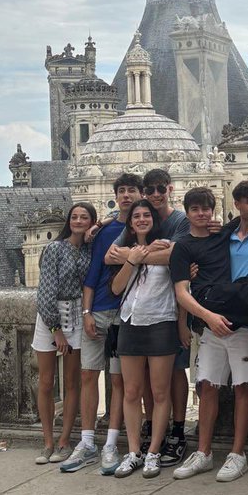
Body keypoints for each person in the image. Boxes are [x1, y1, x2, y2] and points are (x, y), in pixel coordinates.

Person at [171, 182, 248, 483]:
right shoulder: (221, 234)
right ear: (237, 204)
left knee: (244, 387)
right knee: (207, 385)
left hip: (247, 321)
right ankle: (203, 452)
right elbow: (185, 280)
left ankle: (237, 454)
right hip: (214, 319)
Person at [63, 172, 143, 474]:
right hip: (98, 311)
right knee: (88, 376)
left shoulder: (141, 227)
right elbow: (93, 274)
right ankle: (87, 441)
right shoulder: (105, 231)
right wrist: (86, 313)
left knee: (119, 381)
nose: (126, 196)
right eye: (121, 191)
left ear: (139, 194)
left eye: (131, 190)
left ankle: (110, 442)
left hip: (125, 315)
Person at [109, 199, 180, 478]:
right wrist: (132, 259)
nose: (141, 219)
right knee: (131, 391)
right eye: (136, 216)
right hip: (130, 322)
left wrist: (142, 252)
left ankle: (153, 452)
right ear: (130, 222)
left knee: (160, 392)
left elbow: (175, 257)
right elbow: (116, 288)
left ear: (154, 219)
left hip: (161, 321)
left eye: (146, 215)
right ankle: (134, 451)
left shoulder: (166, 243)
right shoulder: (127, 250)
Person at [129, 169, 192, 466]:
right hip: (145, 310)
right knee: (147, 379)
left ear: (169, 188)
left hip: (171, 307)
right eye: (150, 189)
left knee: (175, 372)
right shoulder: (142, 216)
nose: (155, 194)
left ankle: (178, 430)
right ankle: (156, 427)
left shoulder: (178, 220)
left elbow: (174, 256)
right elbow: (113, 254)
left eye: (160, 189)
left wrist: (136, 256)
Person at [31, 202, 96, 464]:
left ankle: (64, 440)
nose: (78, 221)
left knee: (72, 383)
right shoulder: (54, 249)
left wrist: (95, 234)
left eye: (85, 217)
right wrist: (56, 330)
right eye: (75, 216)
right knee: (46, 382)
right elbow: (45, 292)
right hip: (51, 316)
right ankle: (47, 441)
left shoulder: (89, 250)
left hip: (77, 313)